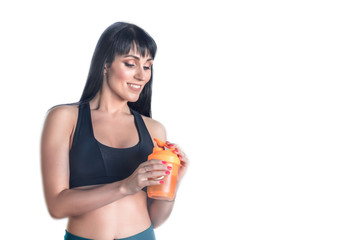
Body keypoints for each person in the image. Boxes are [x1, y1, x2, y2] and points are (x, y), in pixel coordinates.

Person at [40, 22, 188, 240]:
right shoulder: (65, 118)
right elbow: (57, 206)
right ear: (106, 64)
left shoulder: (153, 129)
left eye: (147, 66)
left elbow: (155, 219)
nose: (142, 76)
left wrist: (173, 185)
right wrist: (126, 186)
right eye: (131, 64)